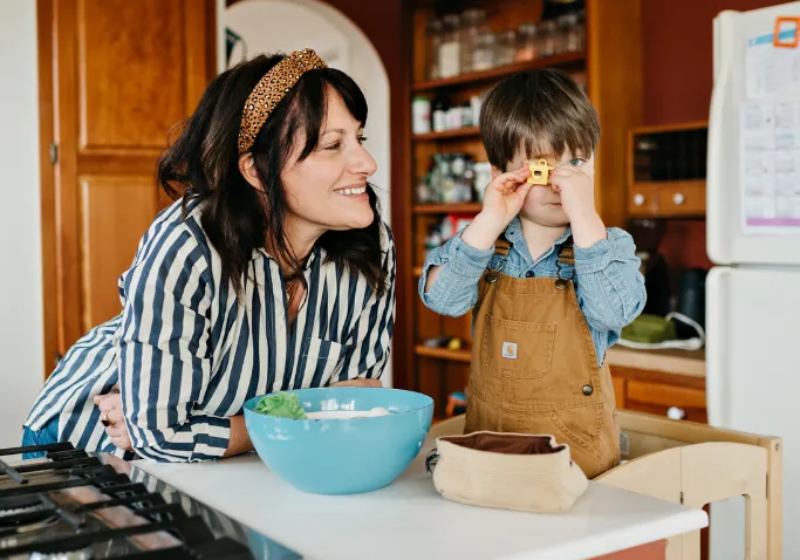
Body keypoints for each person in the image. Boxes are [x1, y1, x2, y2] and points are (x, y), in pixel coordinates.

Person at [23, 49, 396, 462]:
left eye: (358, 139)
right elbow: (163, 437)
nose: (368, 163)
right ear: (256, 169)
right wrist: (303, 414)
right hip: (85, 443)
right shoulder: (187, 244)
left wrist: (269, 421)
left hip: (234, 459)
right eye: (332, 145)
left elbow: (356, 403)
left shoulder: (371, 245)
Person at [419, 69, 645, 478]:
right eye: (542, 168)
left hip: (577, 462)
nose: (562, 184)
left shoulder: (609, 245)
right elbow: (443, 300)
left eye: (575, 163)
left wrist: (585, 219)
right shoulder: (485, 243)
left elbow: (615, 313)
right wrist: (489, 220)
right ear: (500, 174)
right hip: (489, 454)